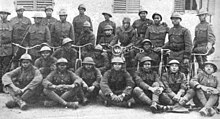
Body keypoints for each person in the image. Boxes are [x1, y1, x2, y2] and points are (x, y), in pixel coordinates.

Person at [0, 9, 13, 92]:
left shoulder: (10, 24)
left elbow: (12, 37)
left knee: (6, 68)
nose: (3, 15)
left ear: (7, 15)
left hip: (8, 49)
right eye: (2, 14)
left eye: (5, 14)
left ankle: (5, 86)